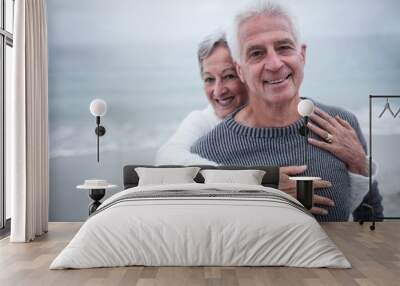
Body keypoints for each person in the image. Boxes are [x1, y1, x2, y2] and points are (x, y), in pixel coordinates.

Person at [190, 1, 383, 221]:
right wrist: (261, 195)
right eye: (256, 53)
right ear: (240, 70)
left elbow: (370, 219)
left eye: (283, 47)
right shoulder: (208, 152)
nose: (274, 64)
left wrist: (360, 165)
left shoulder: (341, 125)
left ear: (302, 55)